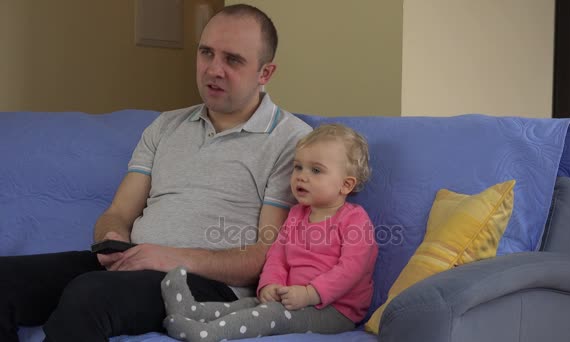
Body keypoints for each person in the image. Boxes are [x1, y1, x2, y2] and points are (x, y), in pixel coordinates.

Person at [0, 4, 311, 341]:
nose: (213, 70)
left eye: (233, 60)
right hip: (135, 263)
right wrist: (113, 238)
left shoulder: (293, 142)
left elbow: (262, 256)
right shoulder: (166, 125)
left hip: (212, 286)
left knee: (90, 295)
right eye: (206, 53)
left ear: (265, 73)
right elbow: (118, 212)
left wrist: (167, 257)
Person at [160, 124, 378, 342]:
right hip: (291, 298)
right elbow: (278, 256)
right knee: (249, 304)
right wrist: (270, 284)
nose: (301, 176)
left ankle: (209, 334)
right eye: (298, 167)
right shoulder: (296, 215)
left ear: (346, 185)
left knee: (272, 315)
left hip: (335, 311)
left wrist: (311, 294)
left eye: (316, 170)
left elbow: (350, 270)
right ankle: (193, 311)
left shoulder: (354, 220)